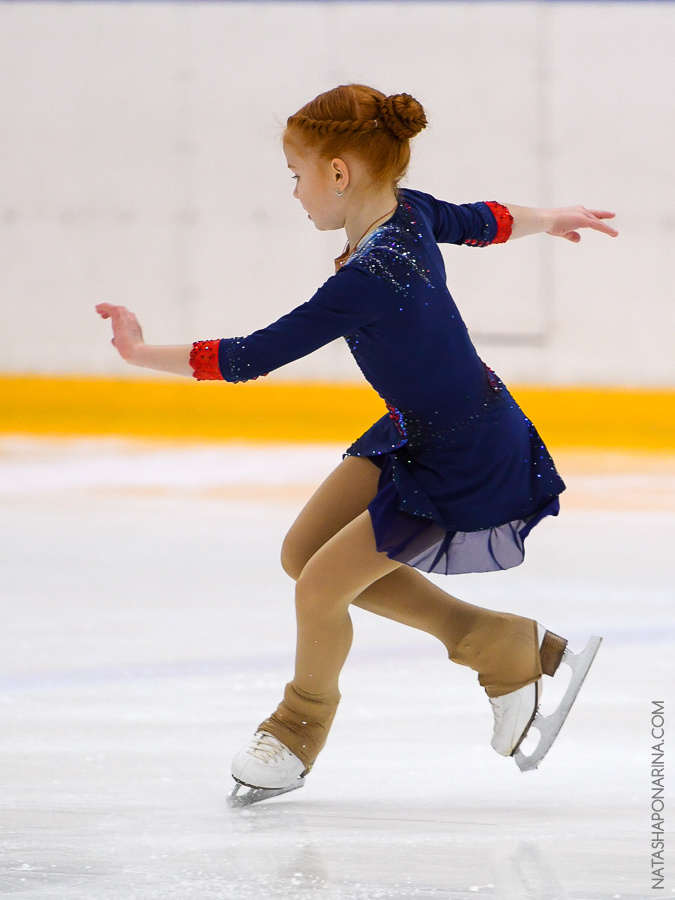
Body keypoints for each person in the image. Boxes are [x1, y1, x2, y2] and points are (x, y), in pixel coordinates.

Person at [96, 84, 617, 806]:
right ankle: (499, 645)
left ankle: (295, 729)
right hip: (420, 426)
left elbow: (252, 356)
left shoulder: (371, 276)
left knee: (319, 588)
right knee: (301, 554)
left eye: (296, 175)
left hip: (457, 450)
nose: (295, 193)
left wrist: (139, 353)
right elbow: (486, 221)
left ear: (338, 173)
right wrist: (551, 217)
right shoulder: (406, 212)